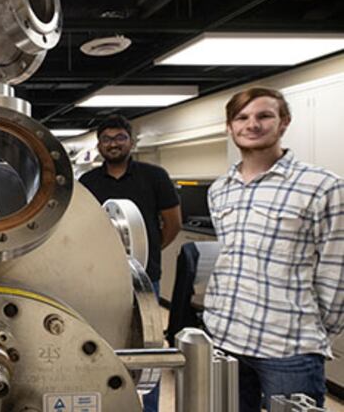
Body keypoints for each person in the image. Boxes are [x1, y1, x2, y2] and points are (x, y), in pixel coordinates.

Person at [205, 87, 343, 410]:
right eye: (242, 117)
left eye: (264, 116)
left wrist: (314, 329)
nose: (252, 124)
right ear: (230, 127)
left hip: (288, 348)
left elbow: (337, 270)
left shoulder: (322, 186)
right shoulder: (220, 190)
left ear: (284, 123)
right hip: (226, 339)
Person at [79, 115, 181, 412]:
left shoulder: (155, 176)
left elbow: (172, 223)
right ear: (99, 145)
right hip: (100, 278)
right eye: (107, 139)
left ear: (131, 142)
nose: (113, 144)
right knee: (101, 341)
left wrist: (145, 252)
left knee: (148, 347)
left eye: (119, 138)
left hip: (146, 278)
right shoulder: (89, 182)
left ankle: (148, 408)